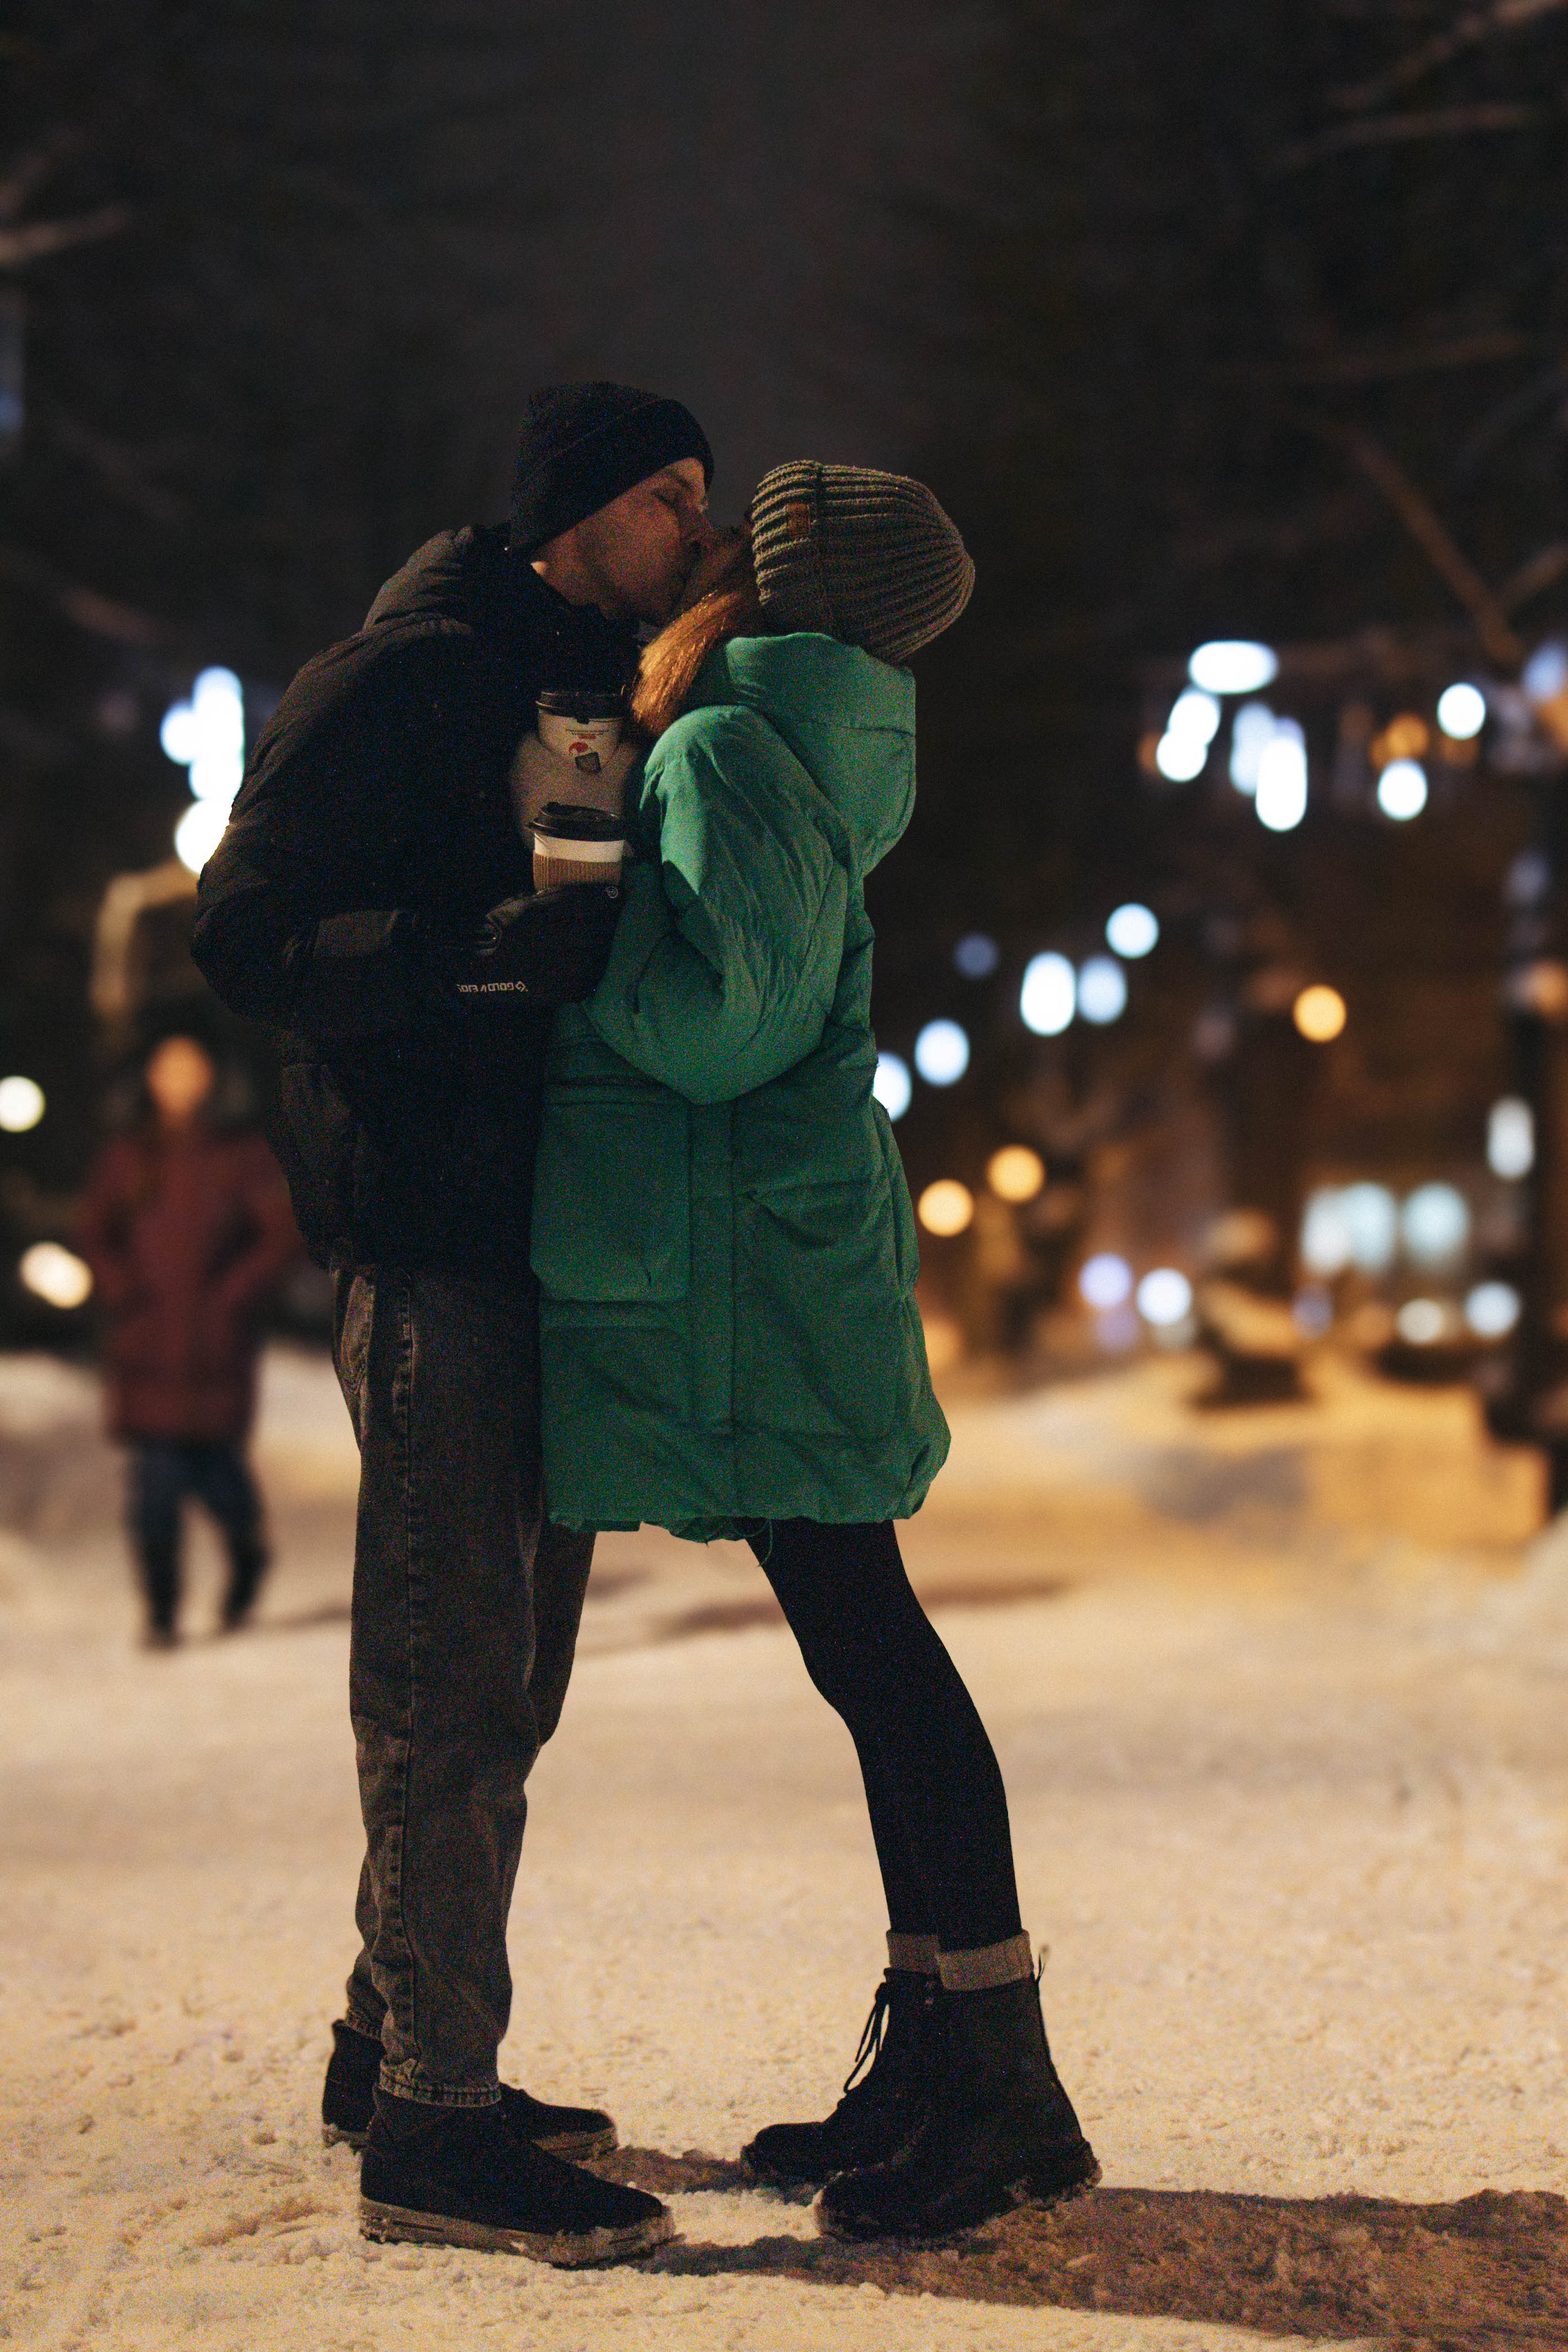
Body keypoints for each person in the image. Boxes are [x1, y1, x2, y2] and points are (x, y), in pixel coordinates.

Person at [530, 463, 1099, 2241]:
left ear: (789, 581)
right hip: (773, 1257)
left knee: (878, 1651)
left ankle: (1001, 2082)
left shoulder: (726, 750)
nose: (706, 543)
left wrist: (578, 946)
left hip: (764, 1277)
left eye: (740, 531)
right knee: (869, 1652)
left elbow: (720, 1022)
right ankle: (946, 2051)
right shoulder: (777, 739)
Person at [191, 384, 717, 2266]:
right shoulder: (402, 675)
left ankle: (386, 2046)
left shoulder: (589, 689)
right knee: (449, 1673)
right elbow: (242, 928)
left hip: (534, 1229)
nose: (696, 526)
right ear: (574, 511)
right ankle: (433, 2122)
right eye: (667, 496)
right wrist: (470, 956)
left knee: (516, 1671)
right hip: (427, 1229)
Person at [77, 1030, 300, 1647]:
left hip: (213, 1347)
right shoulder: (129, 1154)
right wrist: (121, 1288)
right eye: (167, 1069)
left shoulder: (239, 1155)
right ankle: (161, 1610)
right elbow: (95, 1231)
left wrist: (233, 1296)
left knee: (218, 1473)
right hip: (147, 1344)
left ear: (212, 1077)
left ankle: (247, 1553)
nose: (178, 1082)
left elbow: (278, 1235)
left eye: (190, 1068)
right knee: (155, 1483)